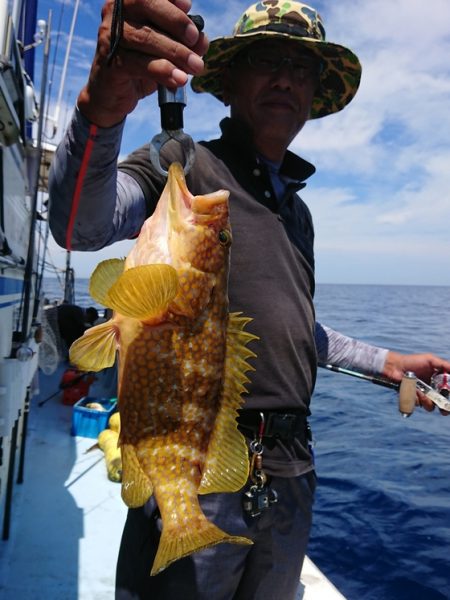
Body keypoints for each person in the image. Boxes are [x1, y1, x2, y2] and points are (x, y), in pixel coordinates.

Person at [48, 1, 450, 598]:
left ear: (315, 93)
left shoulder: (300, 213)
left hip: (290, 471)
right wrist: (100, 113)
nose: (286, 77)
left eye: (302, 67)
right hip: (198, 453)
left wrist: (388, 362)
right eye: (268, 60)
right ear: (230, 79)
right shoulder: (183, 164)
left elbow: (294, 329)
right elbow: (81, 224)